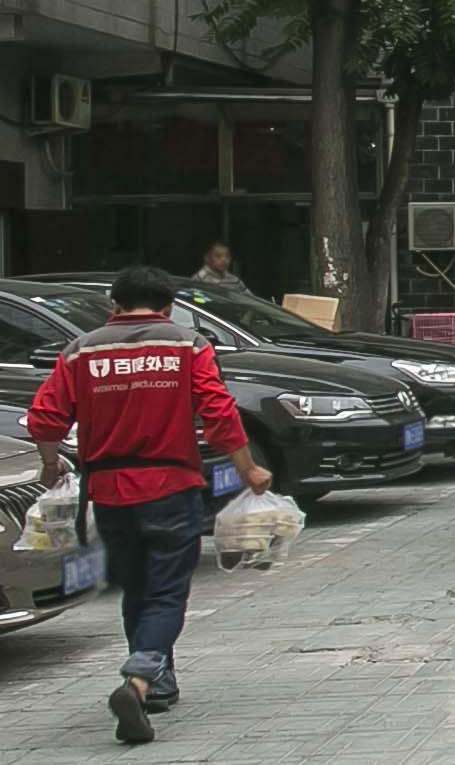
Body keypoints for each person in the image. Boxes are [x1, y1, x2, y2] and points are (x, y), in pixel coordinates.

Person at [26, 264, 272, 746]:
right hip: (170, 485)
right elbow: (219, 412)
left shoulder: (81, 350)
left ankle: (159, 683)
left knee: (137, 590)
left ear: (114, 305)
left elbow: (45, 418)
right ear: (168, 307)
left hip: (108, 490)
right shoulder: (187, 345)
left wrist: (50, 464)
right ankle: (140, 678)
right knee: (166, 592)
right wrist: (247, 469)